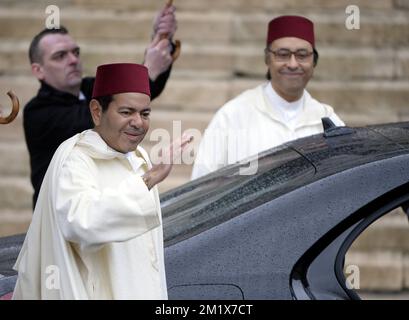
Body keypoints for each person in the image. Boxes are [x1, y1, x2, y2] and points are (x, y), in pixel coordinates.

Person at [12, 63, 192, 300]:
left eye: (145, 113)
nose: (138, 122)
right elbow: (80, 223)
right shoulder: (76, 158)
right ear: (97, 111)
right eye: (127, 112)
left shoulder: (140, 157)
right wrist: (147, 180)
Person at [24, 4, 178, 207]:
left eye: (75, 52)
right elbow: (101, 116)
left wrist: (161, 39)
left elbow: (135, 94)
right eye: (60, 56)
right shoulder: (37, 112)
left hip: (102, 207)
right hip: (61, 218)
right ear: (38, 70)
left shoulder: (89, 87)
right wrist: (148, 71)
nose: (73, 60)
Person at [191, 15, 345, 179]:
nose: (293, 64)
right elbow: (202, 184)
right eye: (283, 54)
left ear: (313, 61)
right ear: (267, 58)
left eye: (302, 55)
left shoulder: (328, 120)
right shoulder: (233, 116)